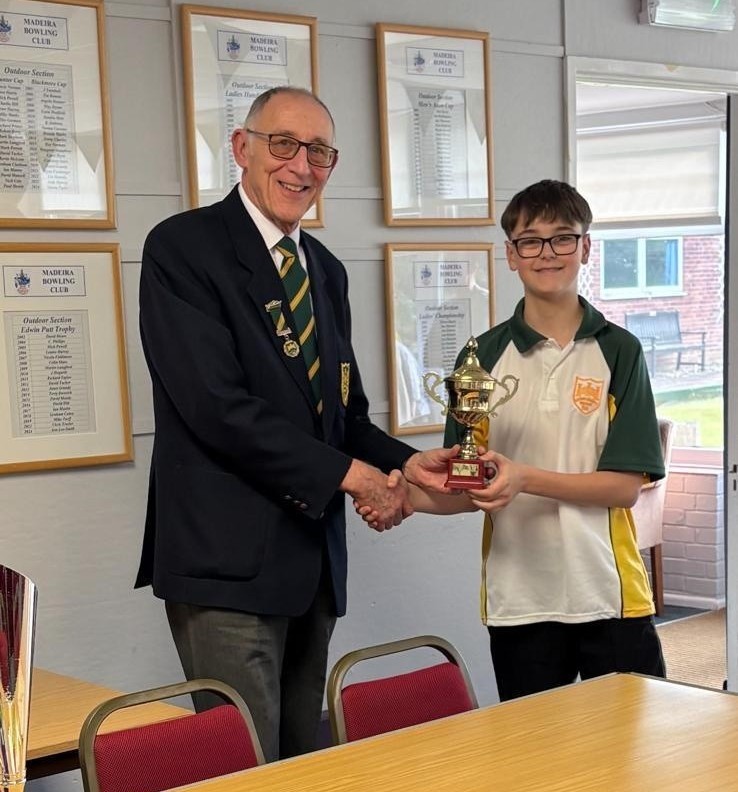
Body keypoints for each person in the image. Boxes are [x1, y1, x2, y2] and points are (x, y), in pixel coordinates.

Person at [135, 85, 454, 762]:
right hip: (227, 565)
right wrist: (354, 477)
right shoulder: (183, 249)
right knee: (246, 768)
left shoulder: (325, 272)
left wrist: (405, 465)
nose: (301, 166)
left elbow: (344, 416)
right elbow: (217, 408)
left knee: (307, 762)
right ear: (242, 148)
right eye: (283, 144)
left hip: (311, 562)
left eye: (319, 152)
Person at [365, 179, 667, 701]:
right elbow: (466, 486)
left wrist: (524, 478)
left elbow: (623, 488)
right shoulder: (479, 359)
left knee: (632, 765)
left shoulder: (621, 351)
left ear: (586, 247)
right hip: (519, 600)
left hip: (610, 595)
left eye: (563, 238)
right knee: (534, 766)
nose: (547, 253)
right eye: (530, 240)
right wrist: (403, 497)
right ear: (511, 254)